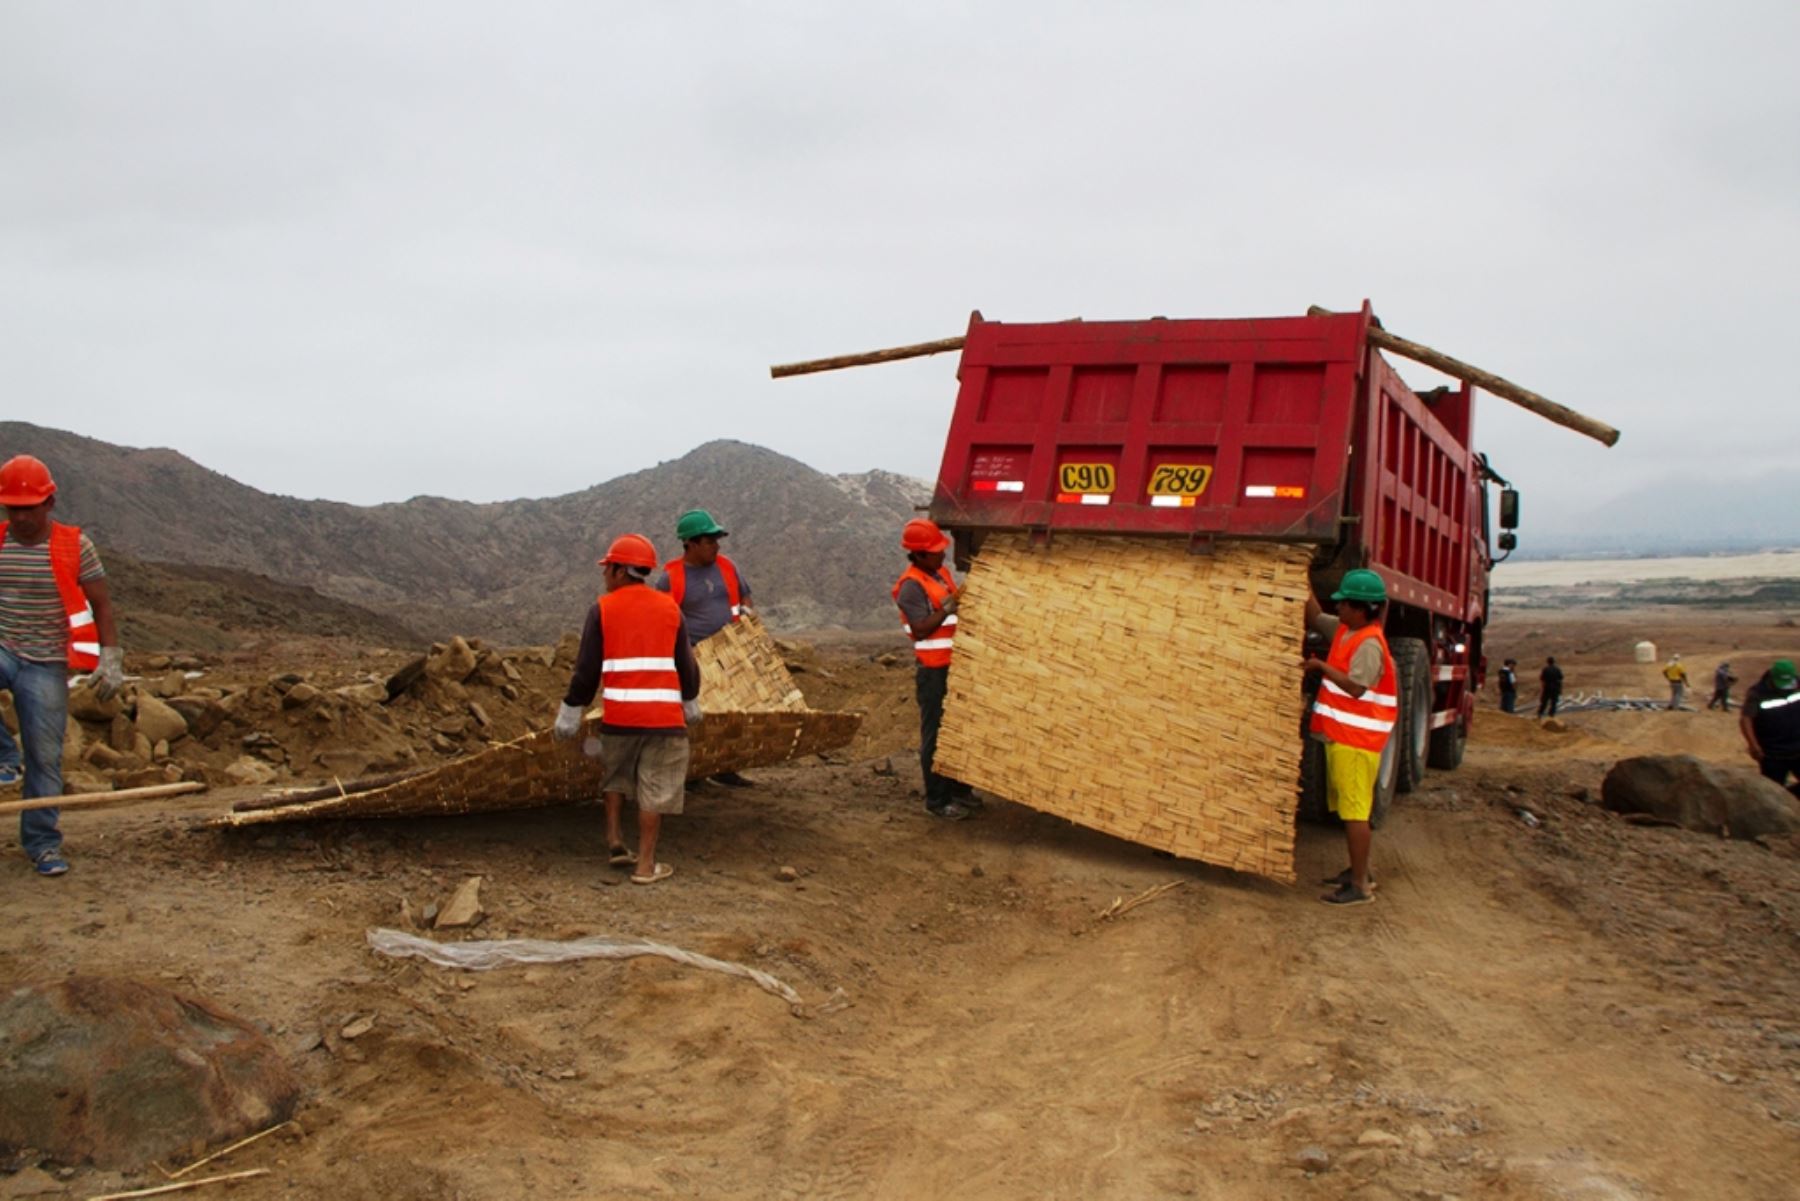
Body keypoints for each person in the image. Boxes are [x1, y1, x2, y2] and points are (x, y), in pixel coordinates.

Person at [0, 455, 124, 876]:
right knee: (19, 754)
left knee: (45, 755)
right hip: (3, 647)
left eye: (28, 507)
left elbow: (101, 604)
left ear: (49, 502)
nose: (19, 516)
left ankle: (42, 843)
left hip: (47, 663)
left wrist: (110, 659)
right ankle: (2, 755)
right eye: (11, 507)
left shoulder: (75, 545)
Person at [553, 533, 701, 885]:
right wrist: (690, 699)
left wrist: (572, 708)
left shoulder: (602, 609)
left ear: (621, 571)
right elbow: (687, 665)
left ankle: (615, 840)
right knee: (656, 788)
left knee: (615, 776)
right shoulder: (670, 608)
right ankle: (646, 866)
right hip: (664, 721)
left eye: (608, 569)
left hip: (620, 719)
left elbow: (586, 670)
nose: (605, 575)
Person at [1302, 569, 1397, 907]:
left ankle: (1360, 886)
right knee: (1349, 808)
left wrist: (1321, 667)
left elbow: (1356, 687)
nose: (1338, 608)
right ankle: (1359, 871)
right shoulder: (1345, 629)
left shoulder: (1370, 644)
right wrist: (1302, 575)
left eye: (1344, 604)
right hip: (1341, 738)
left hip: (1357, 743)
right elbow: (1314, 616)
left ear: (1362, 609)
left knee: (1355, 812)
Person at [655, 508, 756, 789]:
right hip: (694, 658)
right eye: (710, 540)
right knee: (696, 716)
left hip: (732, 653)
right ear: (691, 543)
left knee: (732, 714)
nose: (717, 545)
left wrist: (747, 613)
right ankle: (694, 772)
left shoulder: (727, 567)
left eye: (716, 540)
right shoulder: (671, 578)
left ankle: (726, 767)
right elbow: (661, 620)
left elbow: (745, 595)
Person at [892, 518, 977, 821]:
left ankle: (959, 790)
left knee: (957, 729)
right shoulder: (911, 586)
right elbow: (921, 628)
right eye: (936, 551)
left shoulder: (939, 574)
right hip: (933, 671)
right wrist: (951, 605)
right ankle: (937, 800)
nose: (943, 555)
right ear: (919, 554)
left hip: (954, 667)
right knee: (936, 734)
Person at [1740, 658, 1800, 791]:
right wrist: (1754, 746)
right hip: (1773, 754)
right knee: (1773, 792)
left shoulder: (1798, 684)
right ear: (1772, 677)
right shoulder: (1757, 693)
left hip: (1798, 747)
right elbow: (1746, 719)